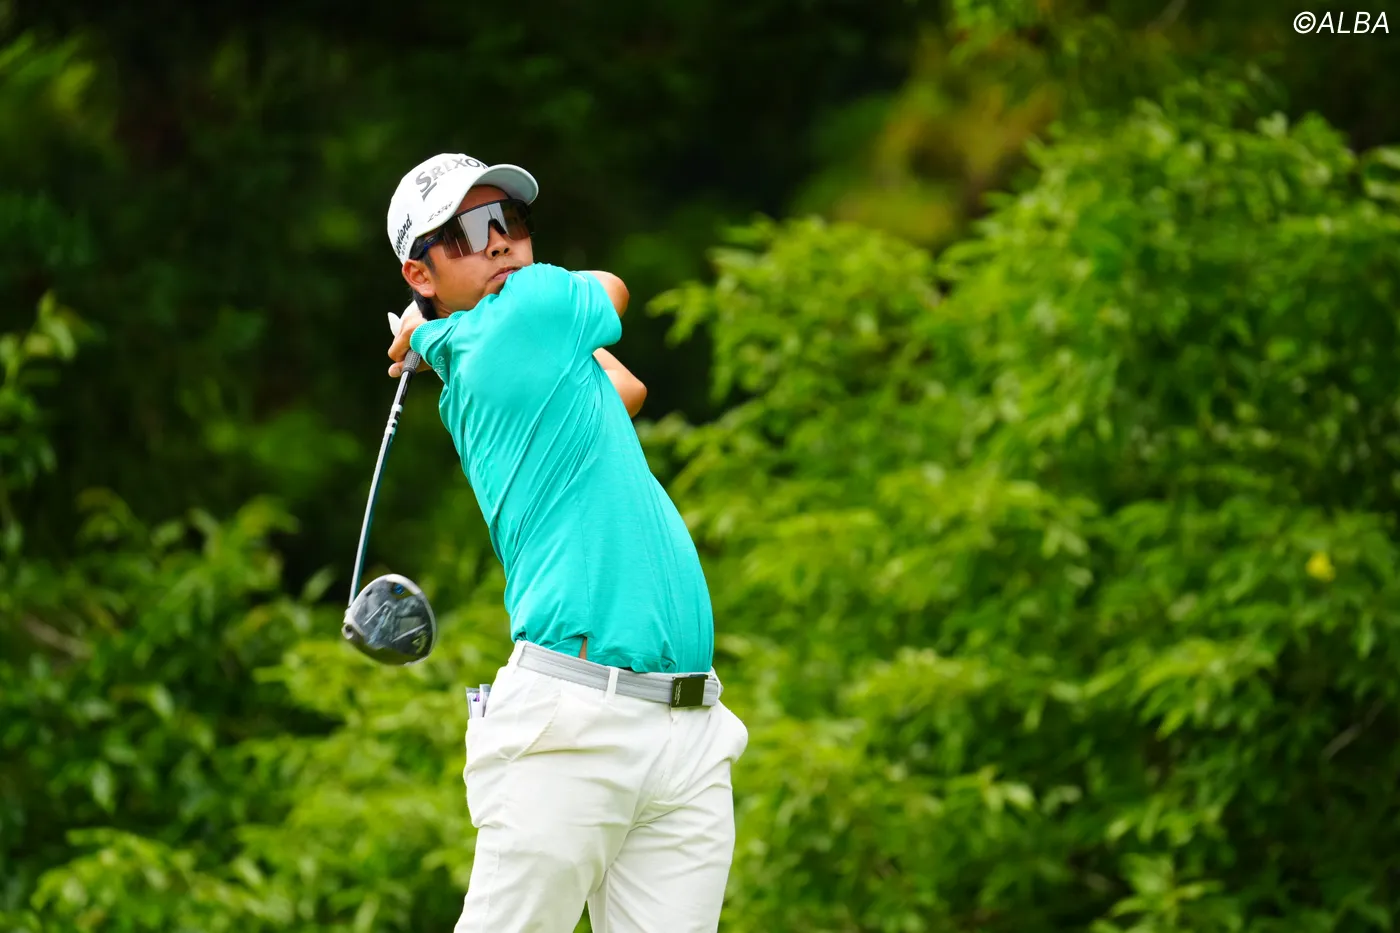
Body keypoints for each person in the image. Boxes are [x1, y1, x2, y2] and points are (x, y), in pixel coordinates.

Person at [382, 152, 749, 933]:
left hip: (687, 725)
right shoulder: (523, 318)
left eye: (509, 220)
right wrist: (440, 332)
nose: (500, 241)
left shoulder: (509, 342)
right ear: (419, 272)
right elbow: (611, 287)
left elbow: (624, 389)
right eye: (467, 232)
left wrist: (433, 331)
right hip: (576, 720)